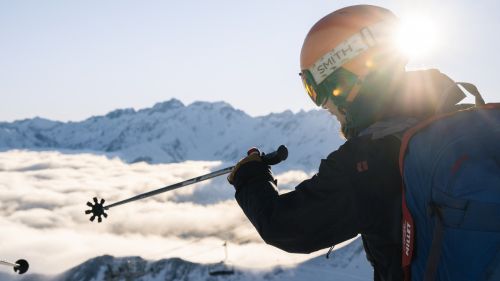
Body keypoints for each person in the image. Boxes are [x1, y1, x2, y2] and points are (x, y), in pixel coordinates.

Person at [227, 5, 469, 281]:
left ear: (347, 78)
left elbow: (285, 227)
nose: (323, 104)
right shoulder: (466, 123)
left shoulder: (369, 159)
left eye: (315, 88)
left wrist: (250, 179)